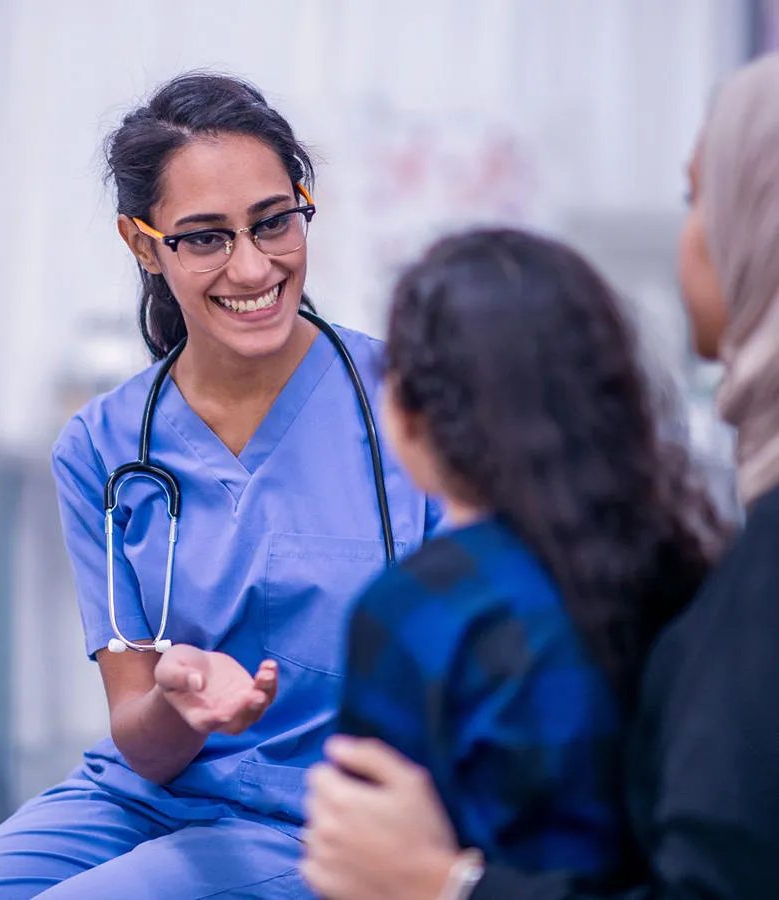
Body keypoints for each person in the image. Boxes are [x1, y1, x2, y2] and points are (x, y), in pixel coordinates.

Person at [0, 73, 440, 899]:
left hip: (326, 817)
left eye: (274, 221)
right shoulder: (103, 447)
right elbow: (145, 743)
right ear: (144, 245)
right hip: (145, 795)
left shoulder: (417, 403)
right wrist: (180, 706)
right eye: (204, 237)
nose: (252, 264)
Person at [302, 51, 779, 900]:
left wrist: (446, 885)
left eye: (696, 200)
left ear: (410, 412)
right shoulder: (679, 569)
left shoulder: (417, 610)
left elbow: (359, 865)